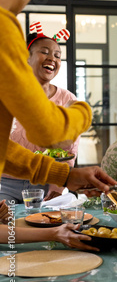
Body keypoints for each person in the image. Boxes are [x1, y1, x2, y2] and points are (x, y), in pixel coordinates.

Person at [0, 0, 117, 249]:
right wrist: (83, 111)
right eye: (43, 51)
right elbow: (46, 130)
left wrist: (63, 176)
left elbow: (5, 151)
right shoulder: (4, 27)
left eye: (57, 54)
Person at [0, 24, 80, 203]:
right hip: (4, 183)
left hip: (46, 184)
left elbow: (69, 150)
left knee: (43, 227)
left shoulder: (67, 99)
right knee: (9, 229)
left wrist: (57, 187)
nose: (52, 58)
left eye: (57, 56)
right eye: (44, 52)